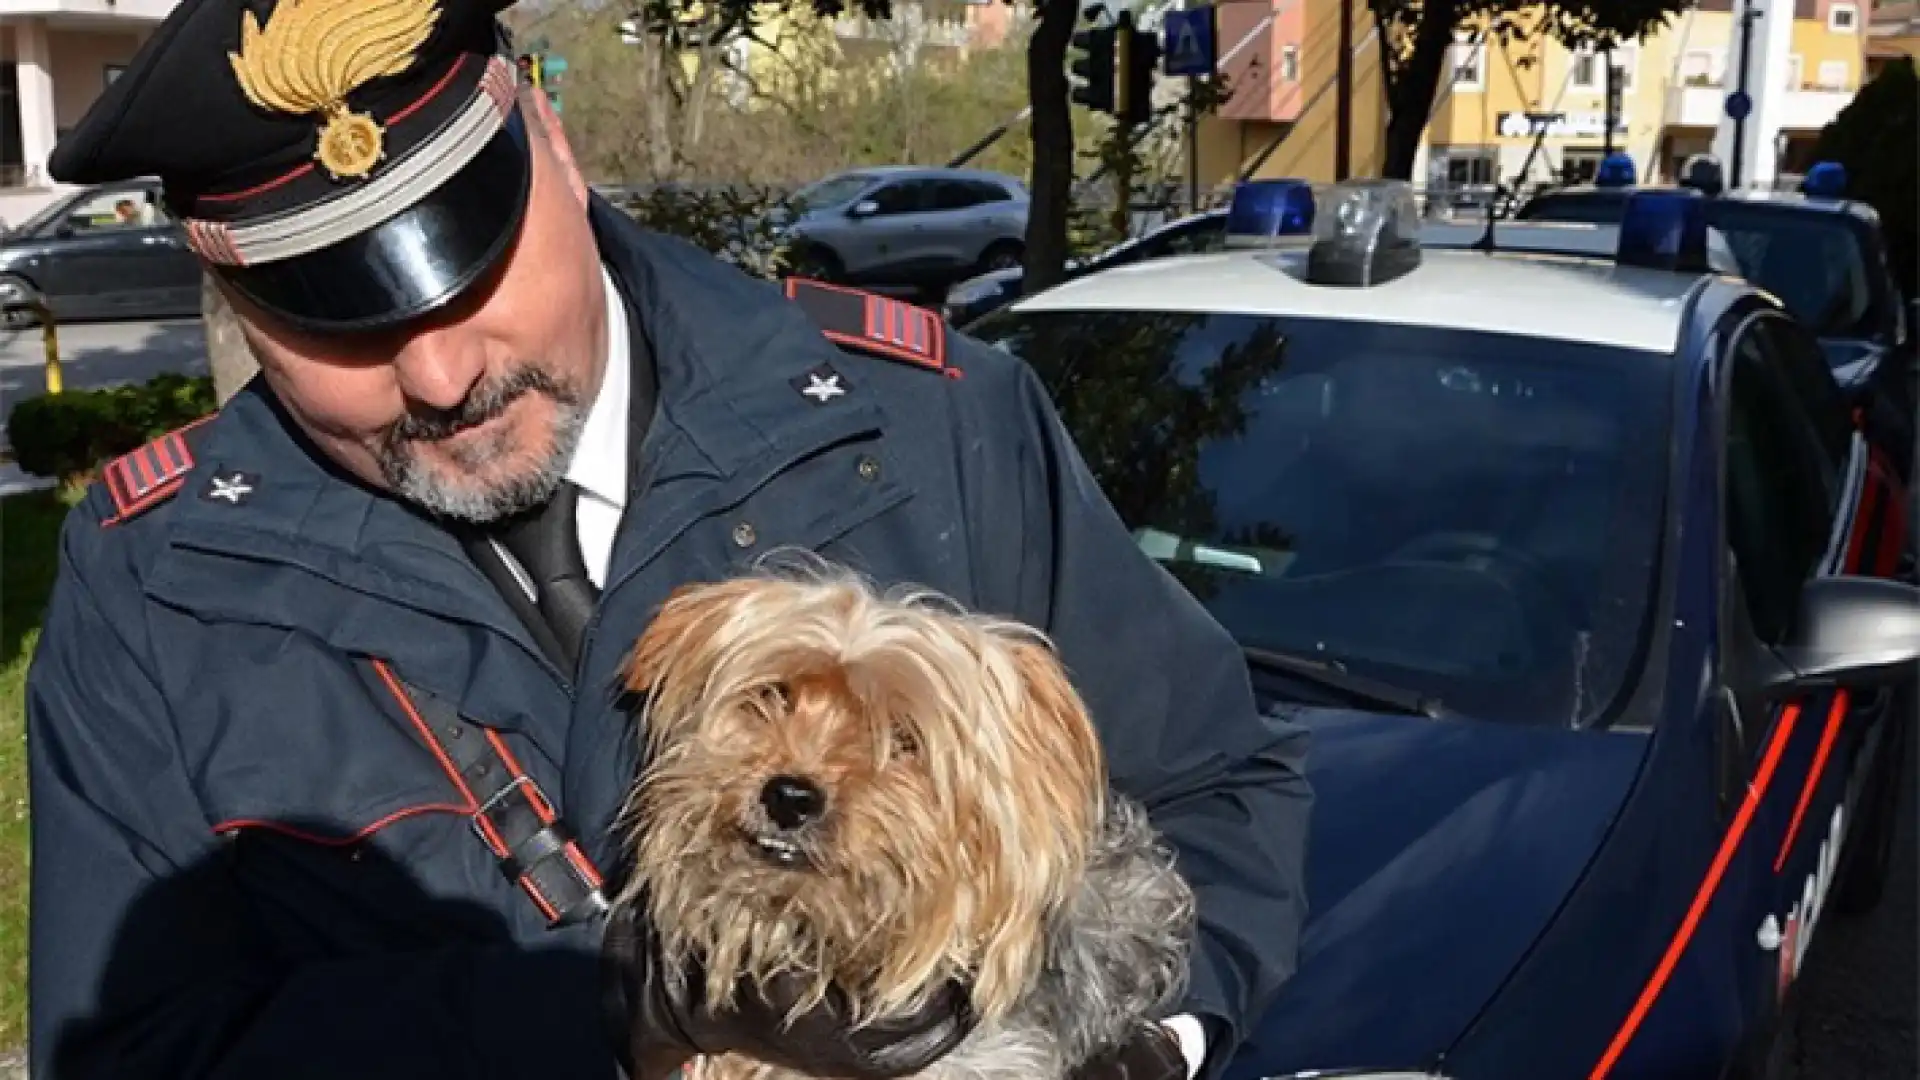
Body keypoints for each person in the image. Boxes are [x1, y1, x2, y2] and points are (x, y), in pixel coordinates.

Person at [23, 0, 1313, 1077]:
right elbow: (136, 1052)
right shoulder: (158, 579)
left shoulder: (935, 429)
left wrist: (1139, 1048)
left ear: (554, 146)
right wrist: (614, 1009)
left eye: (465, 265)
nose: (437, 369)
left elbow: (1218, 793)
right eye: (334, 315)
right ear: (226, 281)